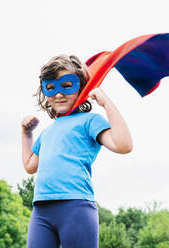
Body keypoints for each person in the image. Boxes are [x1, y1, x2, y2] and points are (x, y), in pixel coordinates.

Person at [21, 54, 132, 248]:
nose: (58, 94)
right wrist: (26, 134)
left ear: (82, 87)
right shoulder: (47, 132)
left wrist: (106, 103)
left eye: (66, 86)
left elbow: (123, 145)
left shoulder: (89, 121)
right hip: (41, 211)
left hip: (76, 206)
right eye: (51, 87)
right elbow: (30, 166)